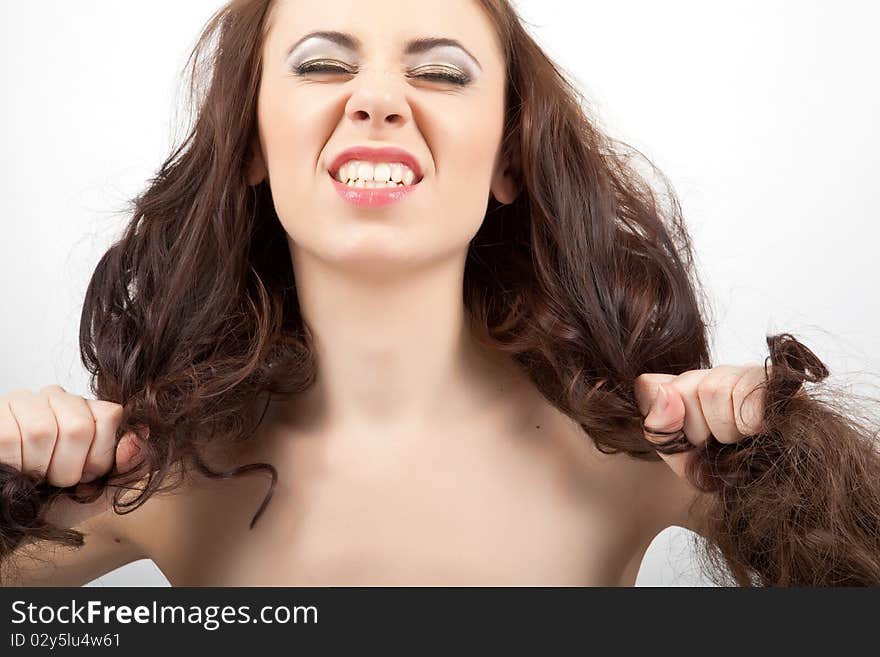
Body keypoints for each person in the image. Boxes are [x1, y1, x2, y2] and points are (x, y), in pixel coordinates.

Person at [2, 0, 879, 587]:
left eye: (444, 72)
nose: (378, 99)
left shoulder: (639, 455)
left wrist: (788, 467)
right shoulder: (153, 476)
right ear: (250, 144)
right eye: (319, 65)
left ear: (506, 155)